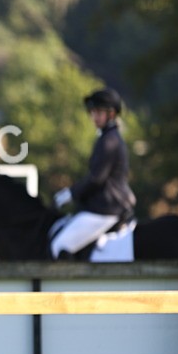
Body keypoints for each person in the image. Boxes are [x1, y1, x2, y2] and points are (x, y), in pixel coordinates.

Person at [50, 87, 137, 259]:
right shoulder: (108, 138)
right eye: (92, 112)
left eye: (98, 112)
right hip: (106, 205)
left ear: (111, 114)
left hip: (106, 208)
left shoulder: (109, 141)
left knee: (59, 245)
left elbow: (96, 178)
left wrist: (70, 193)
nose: (93, 117)